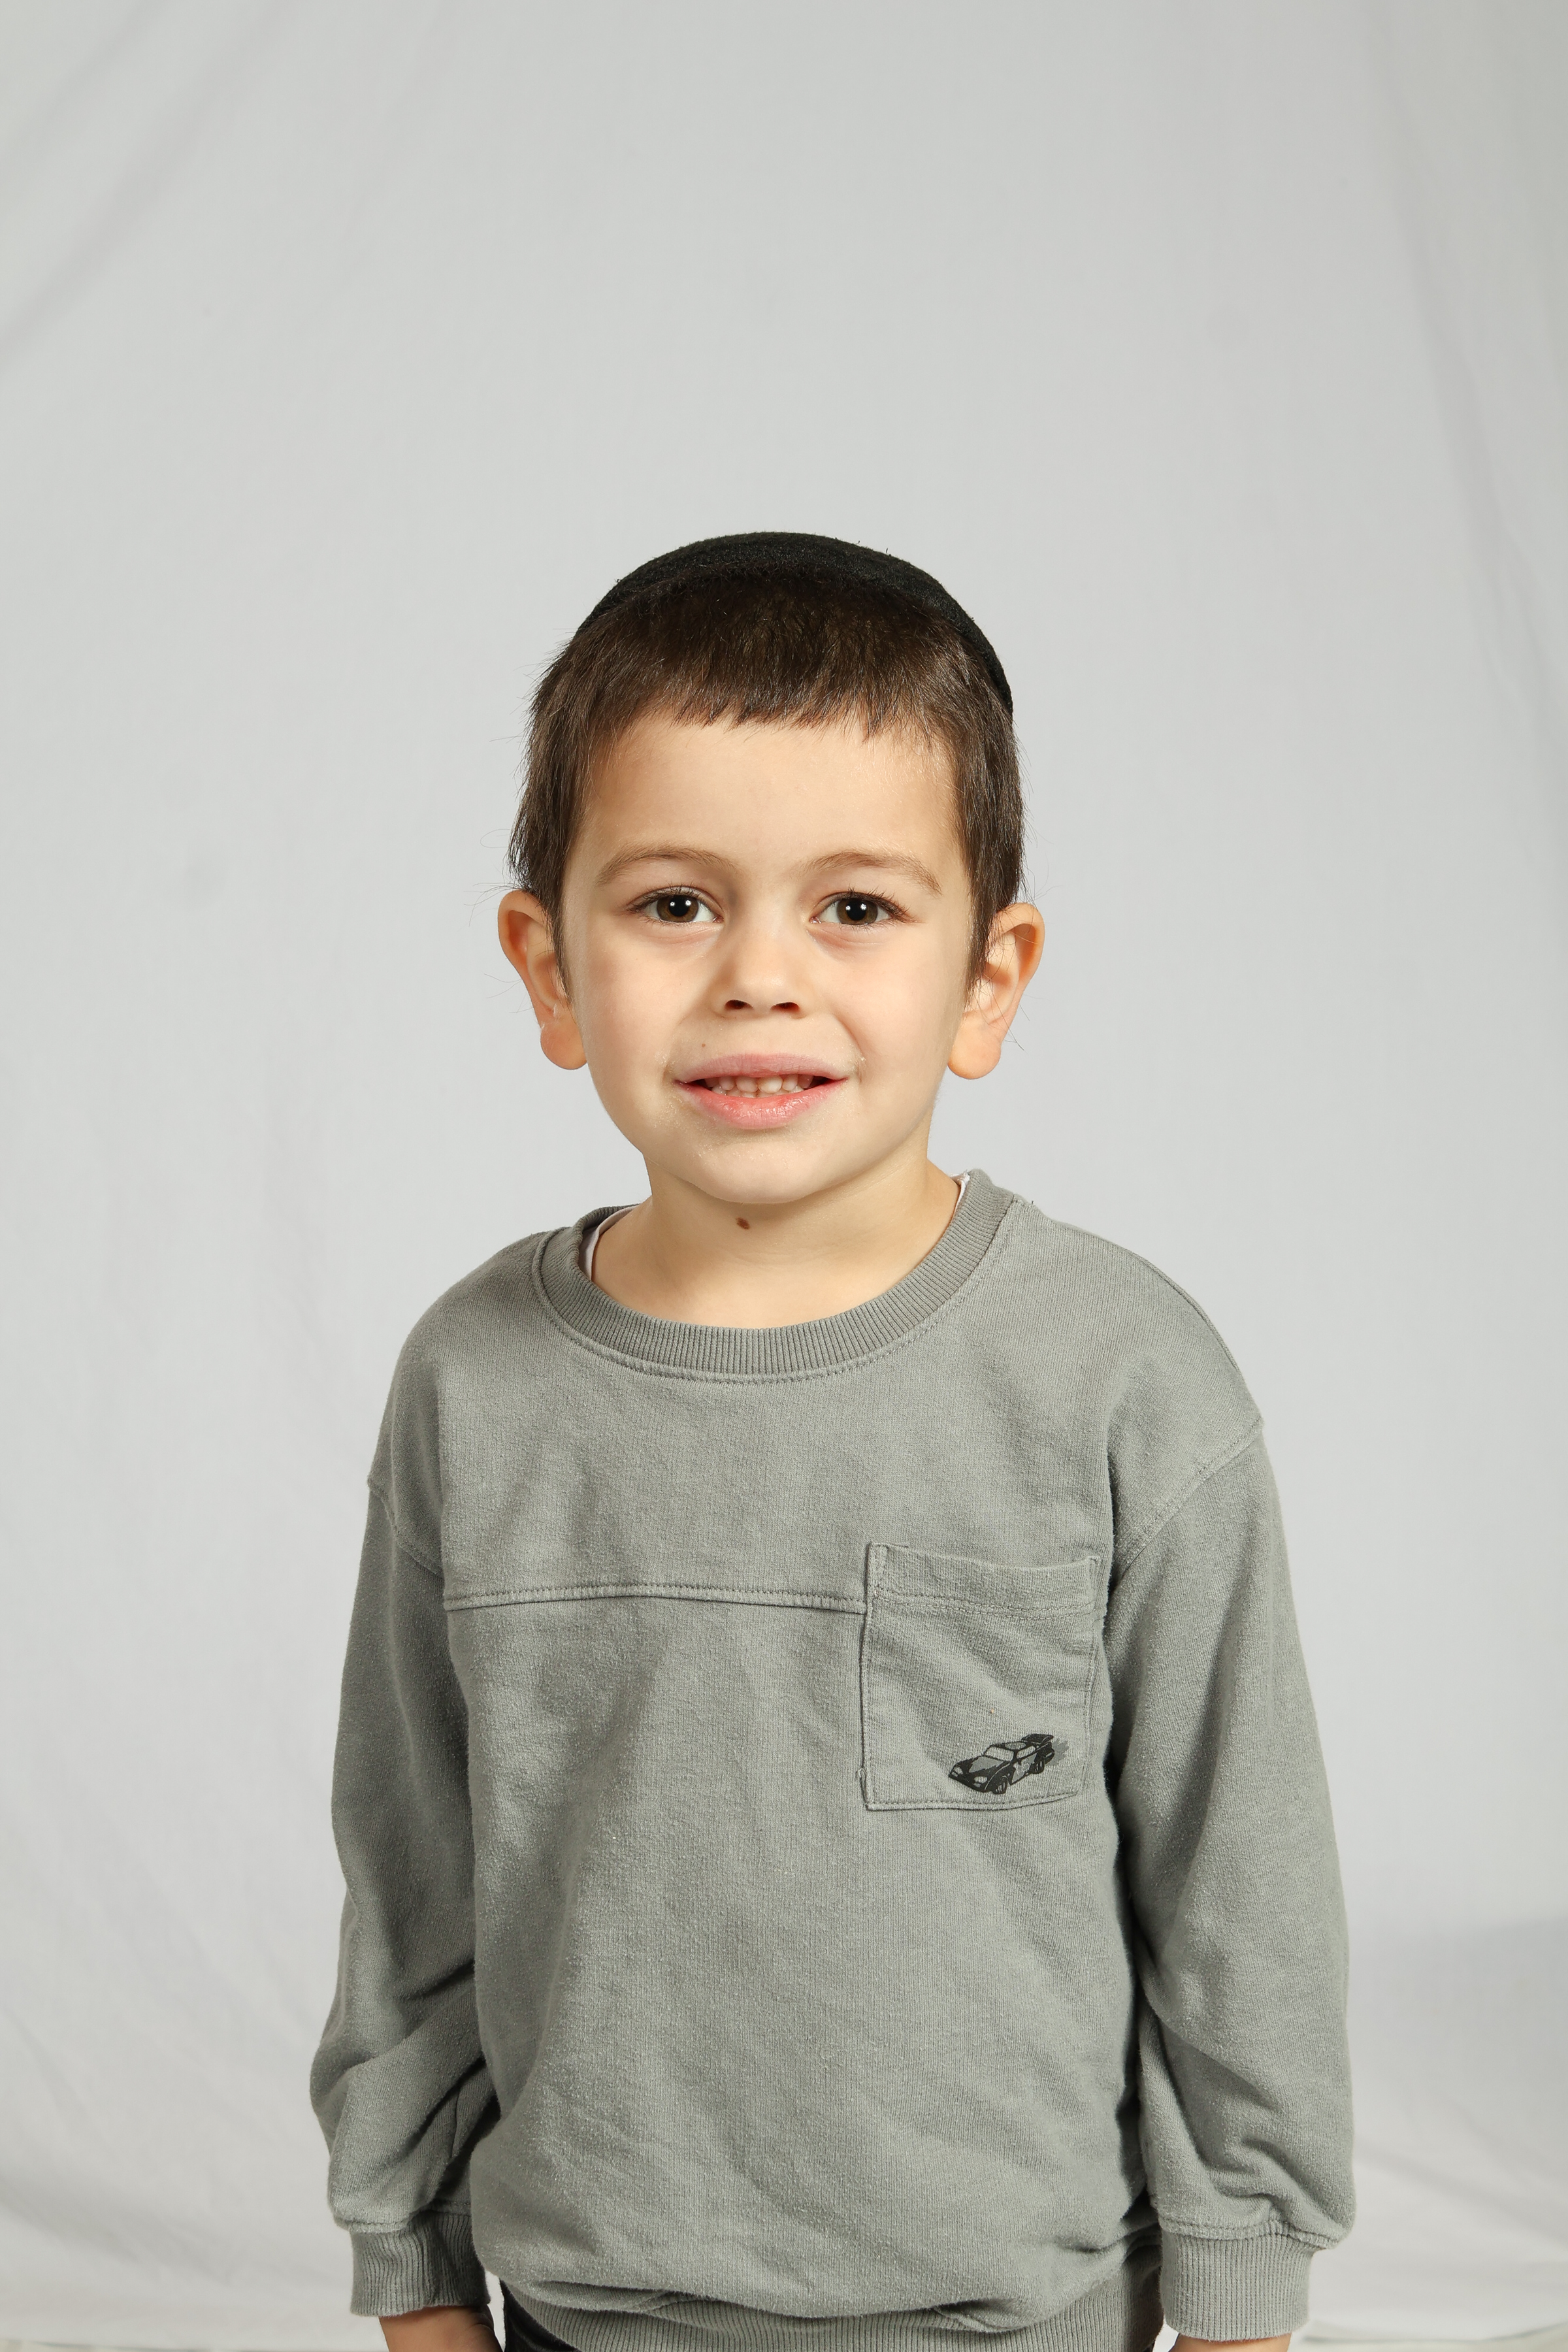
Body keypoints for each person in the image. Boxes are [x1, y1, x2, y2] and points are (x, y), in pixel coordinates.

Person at [310, 534, 1354, 2352]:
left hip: (1016, 2322)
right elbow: (411, 1877)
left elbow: (1235, 1889)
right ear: (548, 968)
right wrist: (412, 2273)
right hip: (586, 2317)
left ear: (989, 978)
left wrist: (1245, 2297)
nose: (759, 978)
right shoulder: (474, 1386)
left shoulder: (1122, 1378)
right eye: (675, 903)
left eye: (856, 908)